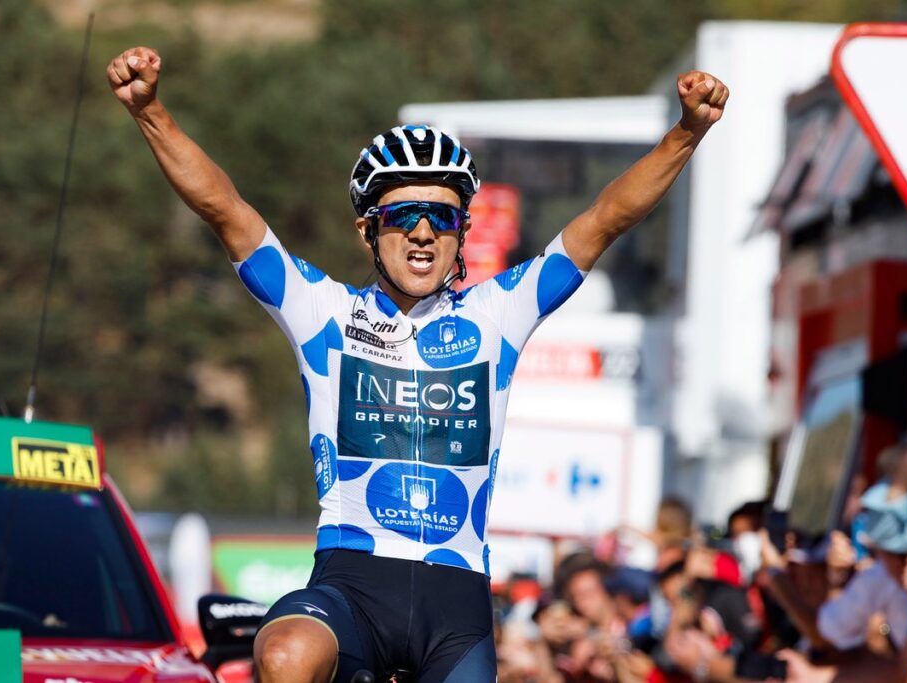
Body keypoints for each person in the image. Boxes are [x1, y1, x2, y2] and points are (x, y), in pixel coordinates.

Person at [107, 45, 728, 683]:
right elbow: (225, 212)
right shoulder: (323, 313)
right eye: (404, 215)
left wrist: (686, 132)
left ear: (462, 233)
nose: (424, 232)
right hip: (350, 587)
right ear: (368, 231)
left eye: (443, 216)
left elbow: (604, 221)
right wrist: (150, 111)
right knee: (287, 653)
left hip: (454, 609)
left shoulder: (499, 314)